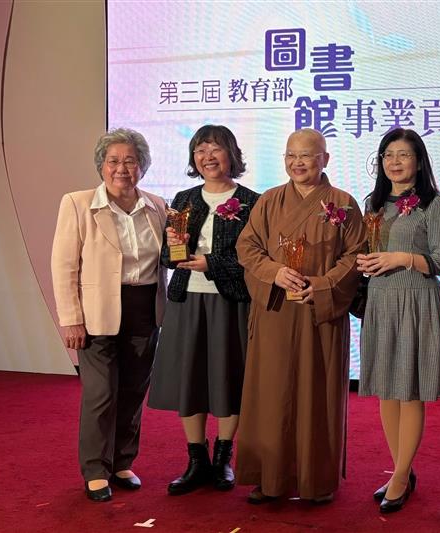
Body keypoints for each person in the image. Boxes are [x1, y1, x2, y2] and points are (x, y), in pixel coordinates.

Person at [235, 128, 366, 504]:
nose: (298, 162)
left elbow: (355, 255)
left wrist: (323, 284)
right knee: (270, 393)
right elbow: (247, 246)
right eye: (290, 155)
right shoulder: (270, 200)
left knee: (317, 392)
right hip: (276, 310)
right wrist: (273, 272)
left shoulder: (342, 203)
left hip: (318, 313)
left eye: (306, 155)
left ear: (324, 159)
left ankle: (316, 480)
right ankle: (269, 477)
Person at [51, 128, 166, 502]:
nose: (122, 168)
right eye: (113, 161)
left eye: (130, 161)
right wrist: (71, 318)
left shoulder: (158, 207)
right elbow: (64, 266)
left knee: (133, 392)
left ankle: (121, 462)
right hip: (96, 313)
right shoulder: (78, 204)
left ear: (143, 167)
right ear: (101, 166)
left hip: (145, 309)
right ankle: (95, 470)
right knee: (101, 394)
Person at [147, 125, 259, 495]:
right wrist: (174, 248)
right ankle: (197, 461)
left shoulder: (252, 202)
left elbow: (254, 261)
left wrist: (212, 264)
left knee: (229, 377)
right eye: (200, 150)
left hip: (230, 301)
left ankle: (225, 458)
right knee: (190, 378)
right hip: (186, 299)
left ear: (232, 154)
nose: (208, 157)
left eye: (216, 149)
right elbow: (167, 258)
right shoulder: (183, 199)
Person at [356, 128, 440, 513]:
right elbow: (369, 251)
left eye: (403, 155)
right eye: (388, 155)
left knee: (410, 389)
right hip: (381, 301)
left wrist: (402, 258)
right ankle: (402, 470)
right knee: (386, 387)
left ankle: (400, 476)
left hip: (416, 301)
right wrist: (364, 263)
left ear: (418, 160)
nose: (395, 162)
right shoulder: (375, 203)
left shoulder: (434, 204)